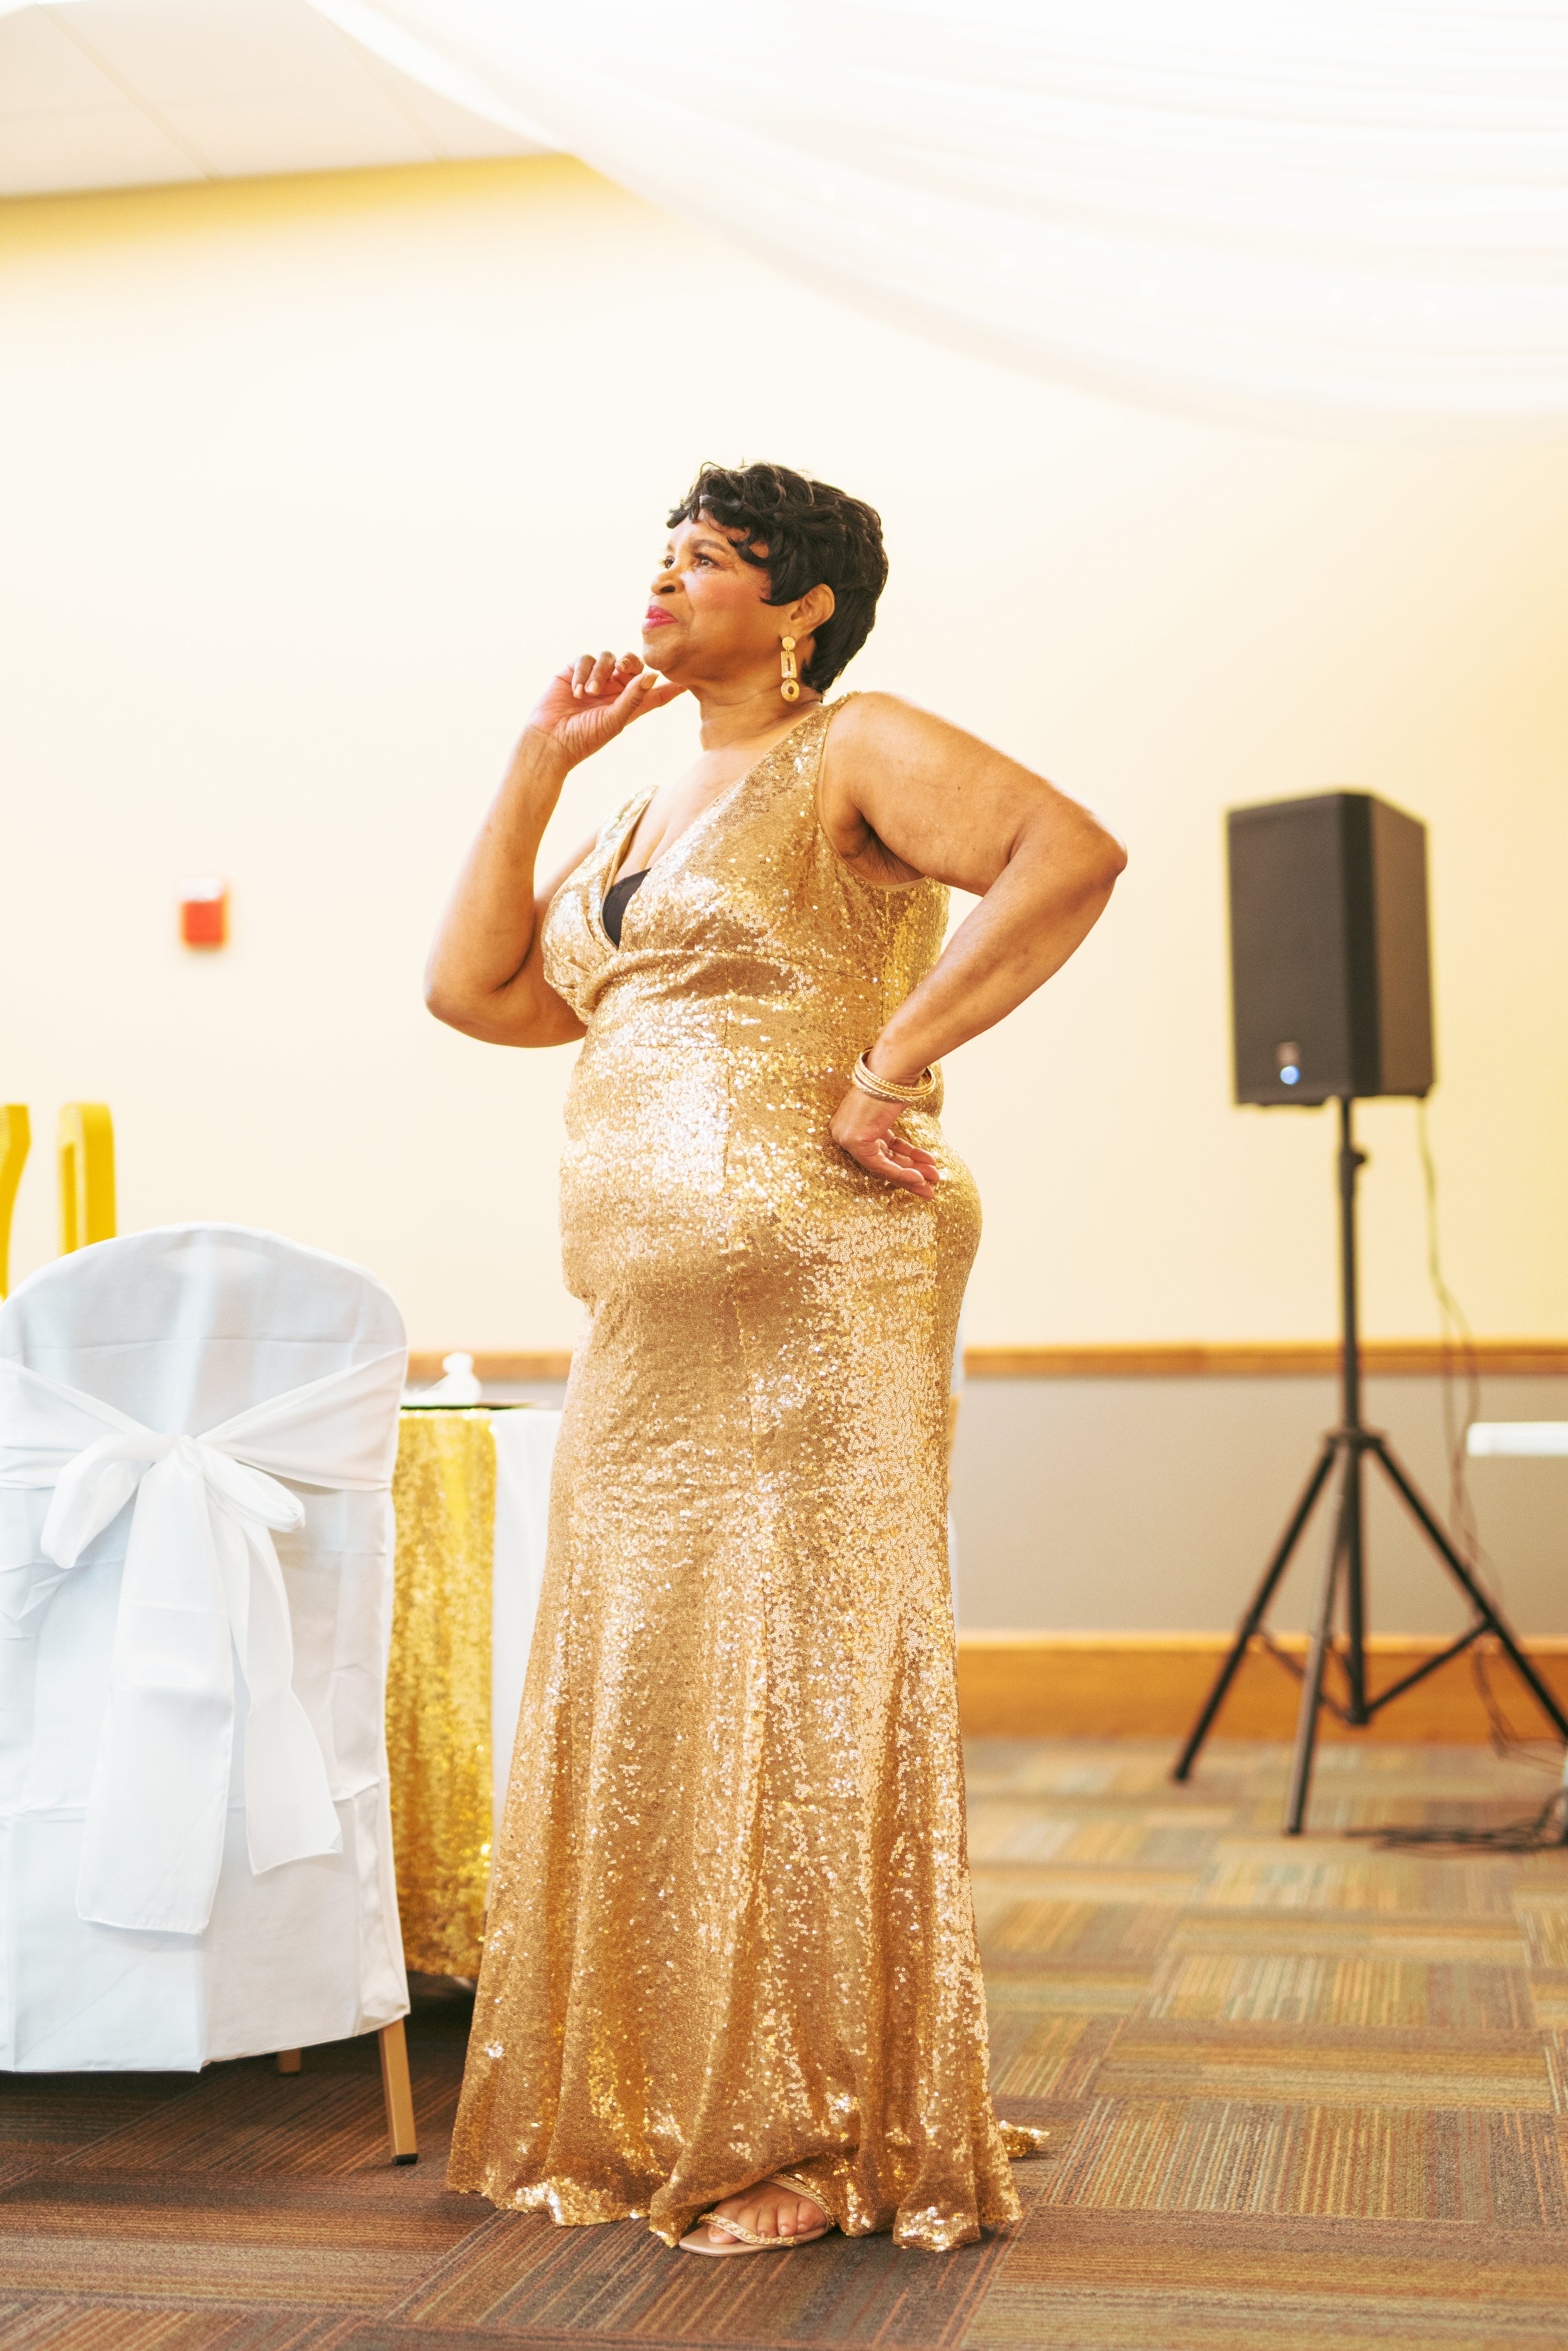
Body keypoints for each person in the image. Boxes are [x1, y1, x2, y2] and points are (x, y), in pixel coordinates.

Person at [425, 462, 1125, 2256]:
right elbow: (483, 991)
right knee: (650, 1672)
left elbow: (1070, 852)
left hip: (823, 1276)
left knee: (794, 1680)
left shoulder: (858, 740)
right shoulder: (650, 796)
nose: (662, 583)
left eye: (707, 560)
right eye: (657, 556)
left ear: (801, 603)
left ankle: (809, 2122)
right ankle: (660, 2087)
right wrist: (536, 764)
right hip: (653, 1323)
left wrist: (892, 1065)